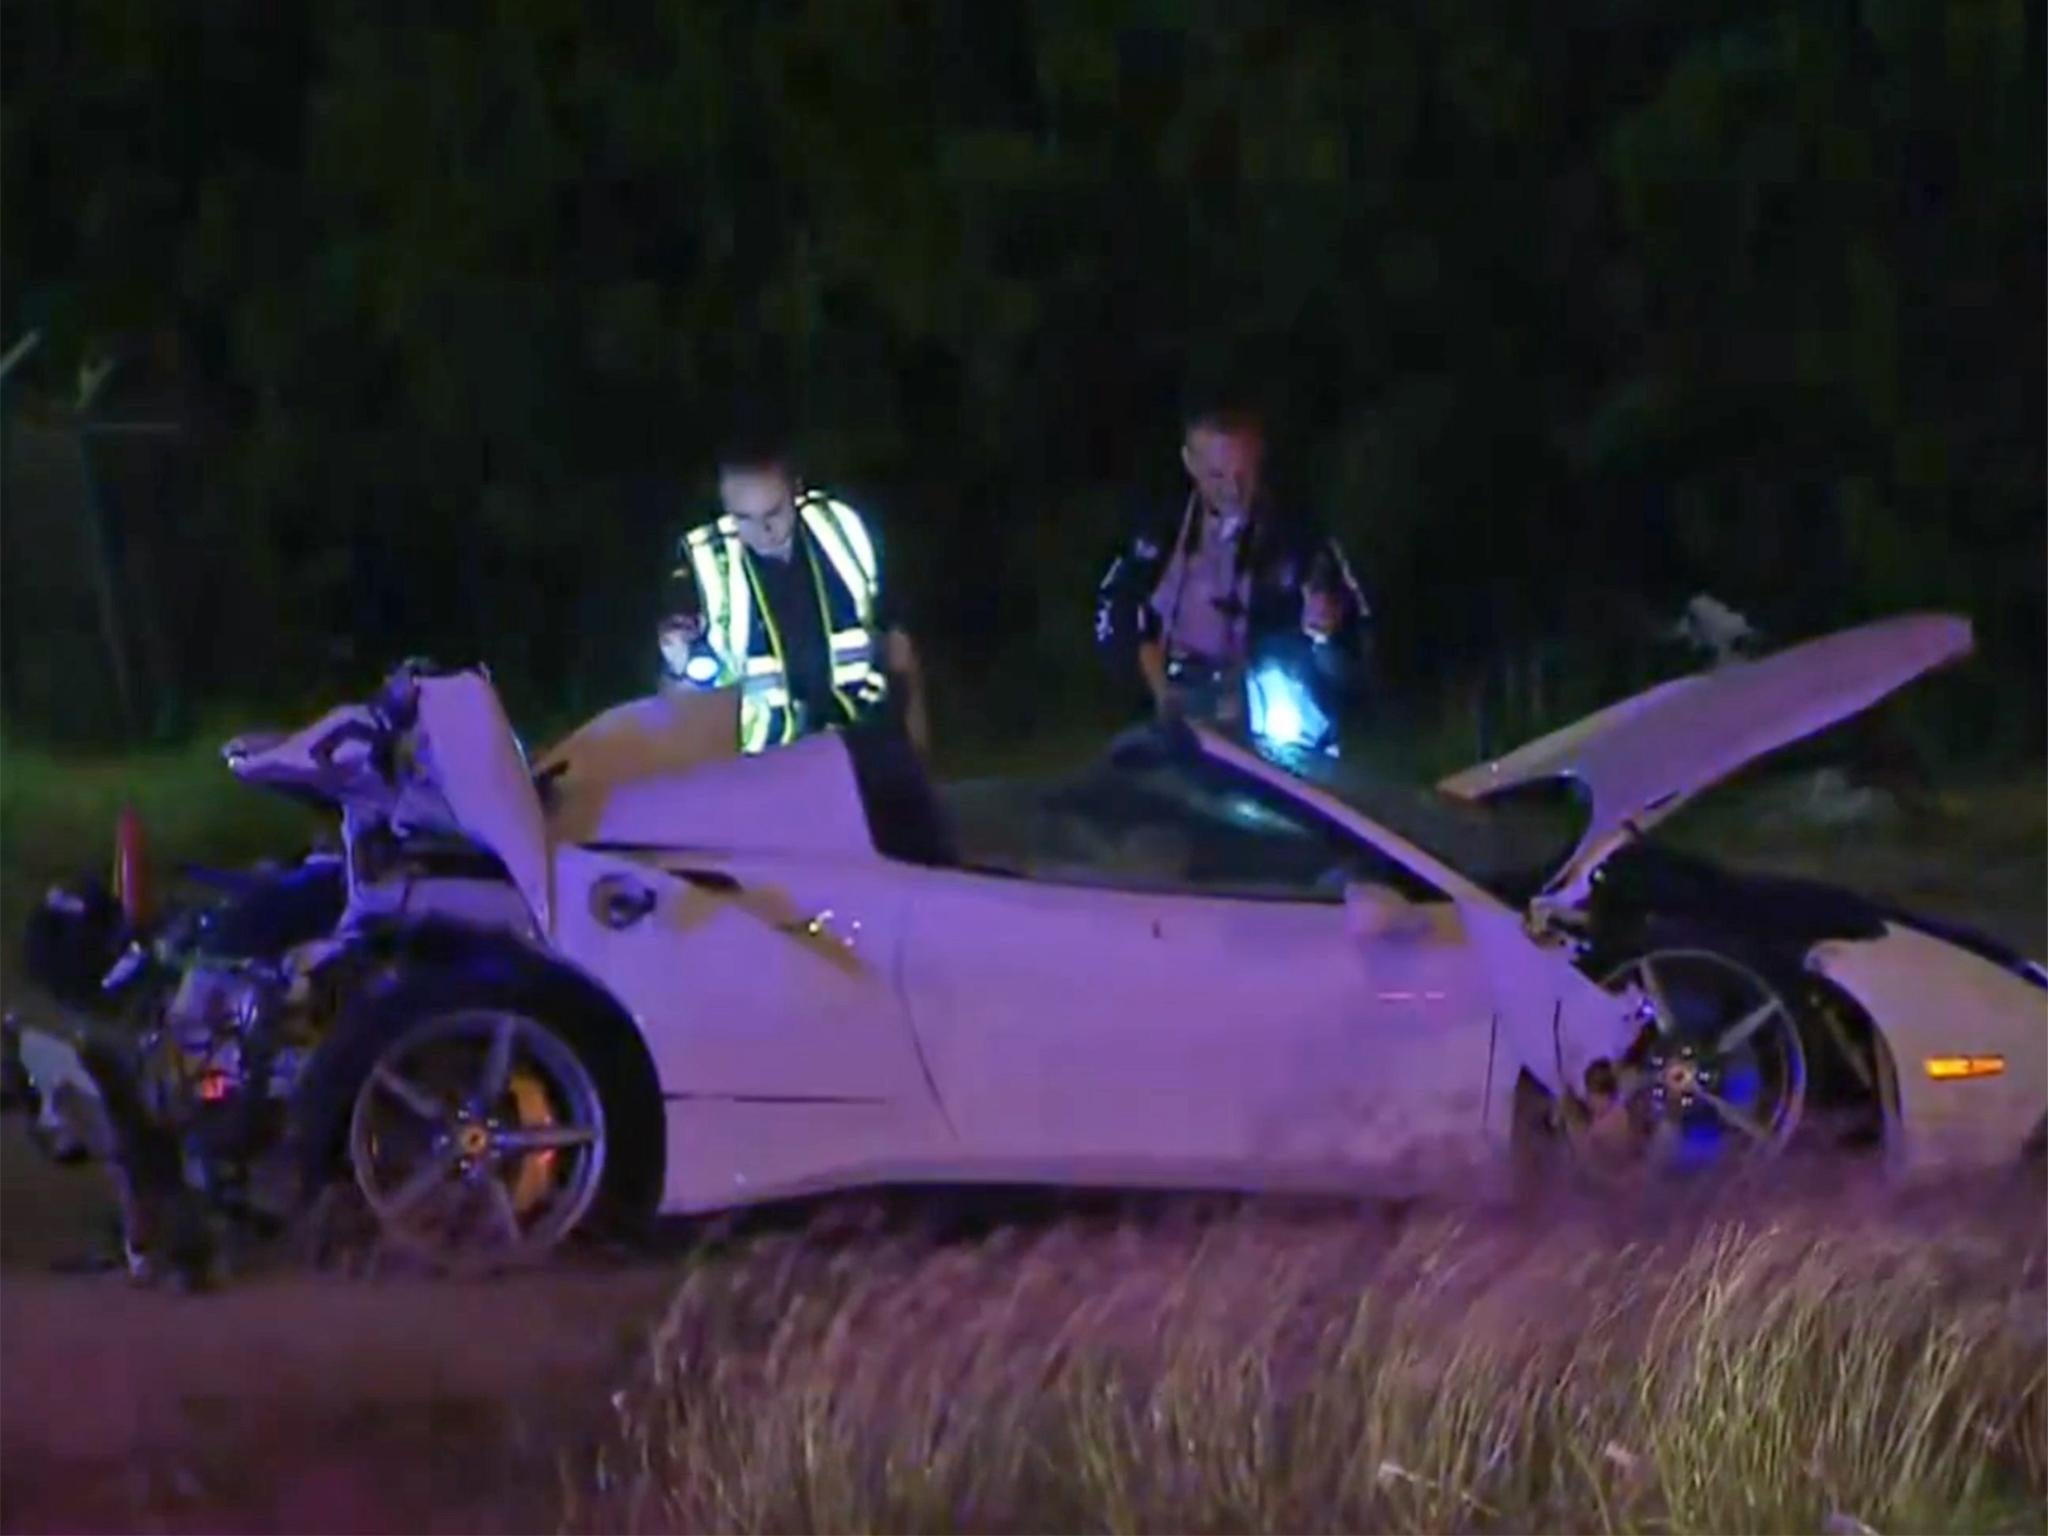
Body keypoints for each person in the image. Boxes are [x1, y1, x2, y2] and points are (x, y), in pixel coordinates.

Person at [1094, 403, 1371, 754]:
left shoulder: (1299, 537)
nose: (1232, 489)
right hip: (1177, 713)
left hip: (1279, 728)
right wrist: (1158, 690)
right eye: (1216, 476)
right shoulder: (1160, 529)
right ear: (1190, 464)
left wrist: (1329, 632)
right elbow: (1118, 607)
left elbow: (1356, 645)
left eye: (1244, 474)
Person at [657, 440, 929, 756]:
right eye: (743, 518)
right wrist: (677, 666)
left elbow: (899, 651)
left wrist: (918, 755)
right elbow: (682, 705)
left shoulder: (845, 529)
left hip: (861, 747)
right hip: (766, 767)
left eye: (773, 512)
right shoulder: (702, 564)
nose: (764, 530)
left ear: (796, 491)